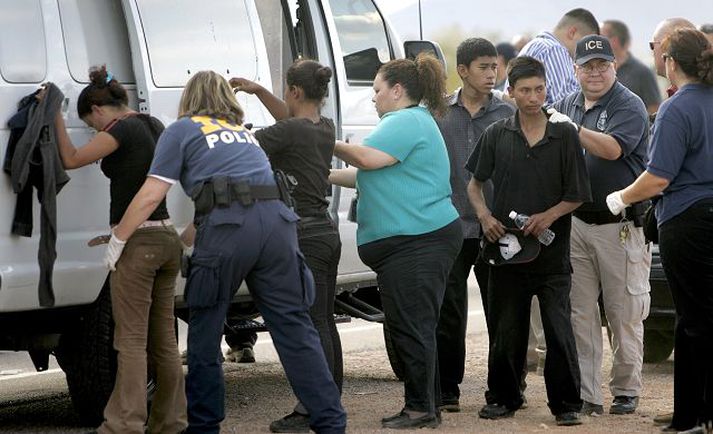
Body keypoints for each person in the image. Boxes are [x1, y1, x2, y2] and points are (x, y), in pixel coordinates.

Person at [104, 70, 345, 434]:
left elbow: (153, 193)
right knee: (295, 328)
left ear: (188, 98)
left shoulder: (183, 130)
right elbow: (238, 190)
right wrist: (188, 236)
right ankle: (330, 422)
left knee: (205, 330)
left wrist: (119, 239)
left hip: (230, 228)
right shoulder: (245, 135)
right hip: (278, 225)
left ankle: (204, 427)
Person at [329, 53, 462, 429]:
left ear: (397, 90)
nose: (373, 97)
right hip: (418, 239)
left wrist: (327, 141)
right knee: (415, 324)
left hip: (418, 240)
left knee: (412, 325)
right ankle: (428, 402)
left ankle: (420, 408)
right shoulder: (412, 122)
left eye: (377, 90)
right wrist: (323, 173)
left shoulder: (403, 120)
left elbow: (367, 159)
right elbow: (367, 173)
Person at [52, 66, 187, 434]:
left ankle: (124, 424)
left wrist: (54, 116)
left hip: (138, 244)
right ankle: (171, 421)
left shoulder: (120, 129)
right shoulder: (154, 124)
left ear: (98, 110)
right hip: (165, 236)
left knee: (129, 340)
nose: (96, 132)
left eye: (92, 124)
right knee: (164, 341)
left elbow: (71, 159)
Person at [467, 56, 590, 426]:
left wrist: (549, 216)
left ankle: (567, 404)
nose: (533, 97)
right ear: (511, 93)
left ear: (546, 88)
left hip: (553, 256)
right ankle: (504, 397)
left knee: (558, 328)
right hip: (507, 253)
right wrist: (485, 217)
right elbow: (474, 184)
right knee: (507, 328)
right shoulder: (496, 134)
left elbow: (578, 194)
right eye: (525, 90)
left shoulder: (564, 134)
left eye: (539, 89)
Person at [606, 28, 713, 433]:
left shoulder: (677, 107)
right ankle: (701, 413)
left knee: (693, 321)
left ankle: (689, 418)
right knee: (704, 319)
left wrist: (621, 197)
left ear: (669, 61)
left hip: (687, 220)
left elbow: (657, 178)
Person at [231, 59, 343, 433]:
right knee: (323, 321)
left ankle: (311, 408)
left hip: (304, 235)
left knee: (307, 327)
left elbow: (242, 146)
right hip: (326, 231)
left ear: (294, 91)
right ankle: (328, 400)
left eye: (284, 90)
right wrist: (260, 91)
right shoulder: (323, 127)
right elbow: (291, 122)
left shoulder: (289, 132)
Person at [548, 34, 651, 417]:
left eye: (602, 65)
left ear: (614, 66)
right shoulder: (564, 104)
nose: (595, 72)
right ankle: (587, 393)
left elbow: (612, 149)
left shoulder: (629, 104)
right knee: (580, 314)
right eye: (587, 66)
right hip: (575, 224)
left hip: (619, 225)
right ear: (575, 70)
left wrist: (572, 130)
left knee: (624, 312)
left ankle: (626, 390)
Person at [436, 37, 515, 413]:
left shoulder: (508, 112)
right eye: (483, 67)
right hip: (450, 225)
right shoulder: (438, 113)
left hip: (496, 226)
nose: (492, 73)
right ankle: (446, 390)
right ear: (463, 70)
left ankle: (502, 391)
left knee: (501, 312)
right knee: (448, 312)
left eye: (494, 66)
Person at [507, 8, 599, 105]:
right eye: (587, 43)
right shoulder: (554, 50)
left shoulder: (538, 45)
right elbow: (570, 106)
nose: (588, 51)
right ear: (572, 33)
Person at [602, 19, 662, 114]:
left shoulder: (642, 72)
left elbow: (654, 109)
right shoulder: (598, 71)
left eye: (600, 37)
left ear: (614, 41)